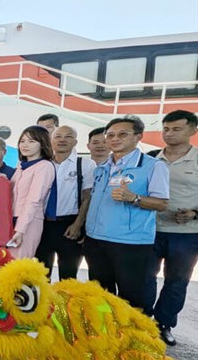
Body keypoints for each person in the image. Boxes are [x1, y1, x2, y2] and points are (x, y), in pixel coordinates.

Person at [84, 115, 169, 313]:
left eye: (122, 134)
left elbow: (162, 203)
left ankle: (134, 339)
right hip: (95, 240)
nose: (115, 139)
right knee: (99, 296)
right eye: (110, 135)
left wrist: (134, 198)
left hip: (130, 243)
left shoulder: (153, 166)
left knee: (132, 298)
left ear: (138, 136)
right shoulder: (101, 169)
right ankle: (105, 337)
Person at [145, 110, 198, 346]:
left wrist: (195, 213)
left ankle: (163, 324)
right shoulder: (151, 158)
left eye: (177, 128)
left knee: (176, 281)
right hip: (149, 230)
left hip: (186, 234)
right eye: (166, 128)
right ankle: (142, 321)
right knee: (143, 278)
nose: (169, 133)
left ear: (192, 130)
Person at [35, 126, 95, 280]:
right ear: (51, 141)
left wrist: (78, 224)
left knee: (68, 274)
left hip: (69, 225)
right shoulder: (41, 164)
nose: (62, 140)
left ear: (75, 141)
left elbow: (87, 197)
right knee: (40, 275)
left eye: (68, 136)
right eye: (58, 136)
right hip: (42, 225)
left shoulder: (85, 165)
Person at [6, 126, 55, 259]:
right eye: (22, 141)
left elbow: (34, 200)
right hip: (11, 220)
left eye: (32, 141)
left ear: (43, 144)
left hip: (28, 223)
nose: (25, 145)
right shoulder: (21, 166)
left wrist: (20, 229)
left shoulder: (44, 166)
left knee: (18, 266)